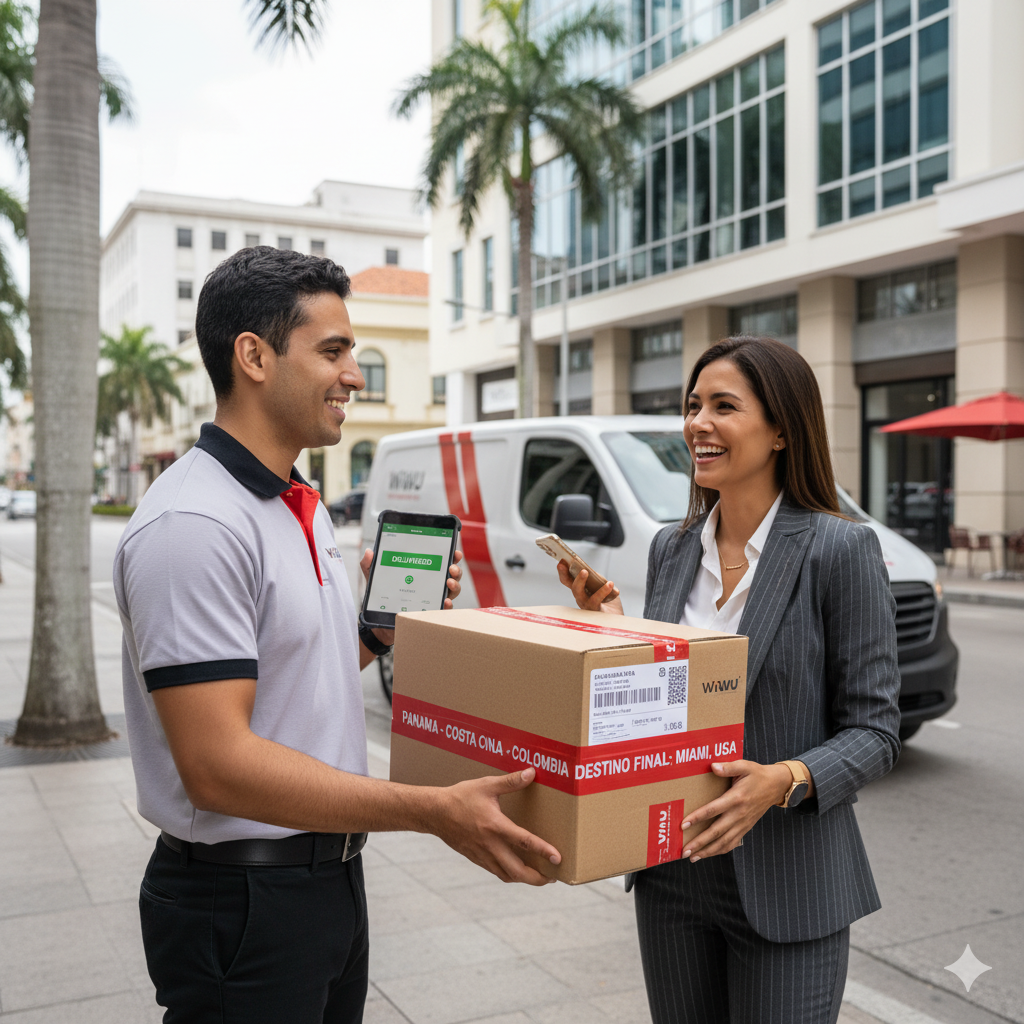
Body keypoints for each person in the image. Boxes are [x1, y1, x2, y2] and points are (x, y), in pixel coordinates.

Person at [114, 246, 560, 1024]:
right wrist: (429, 808)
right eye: (333, 351)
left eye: (352, 352)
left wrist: (376, 632)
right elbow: (218, 766)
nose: (354, 374)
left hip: (328, 881)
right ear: (252, 356)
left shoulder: (301, 501)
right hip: (242, 900)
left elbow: (299, 677)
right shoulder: (194, 524)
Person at [558, 336, 900, 1024]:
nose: (697, 424)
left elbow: (877, 730)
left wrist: (786, 779)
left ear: (780, 429)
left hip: (789, 882)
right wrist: (618, 629)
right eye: (692, 406)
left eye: (723, 406)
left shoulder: (841, 549)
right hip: (671, 871)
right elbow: (672, 702)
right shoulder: (672, 547)